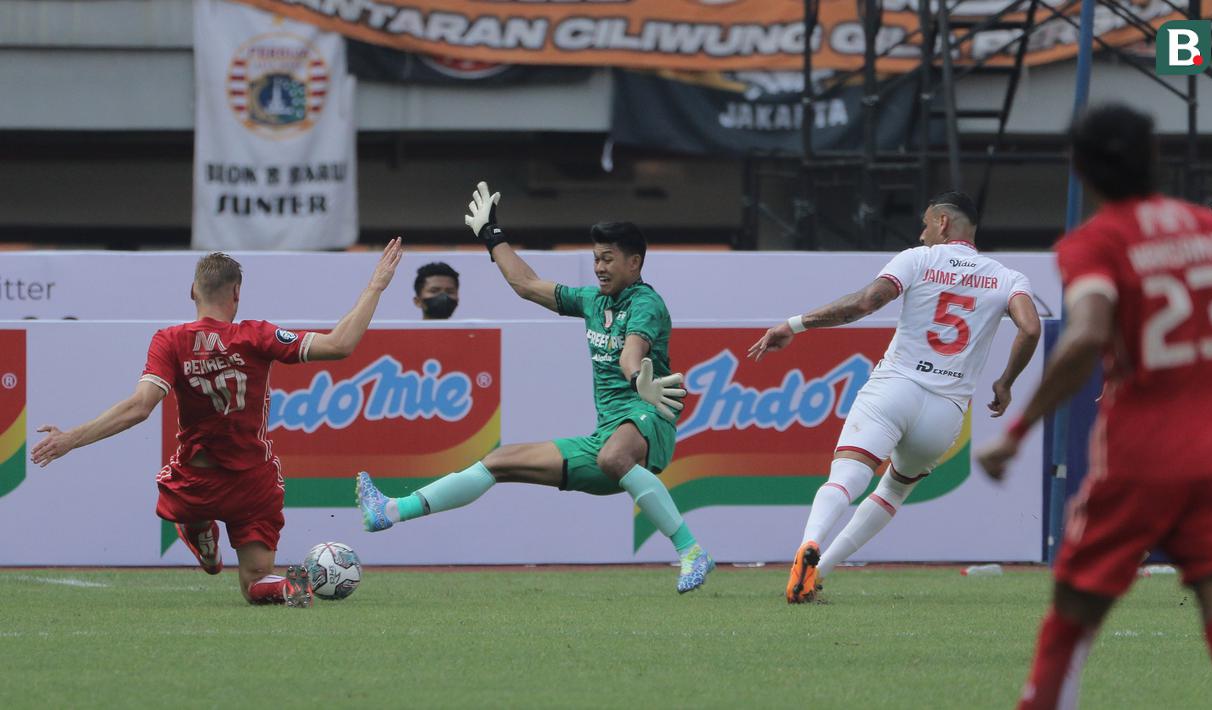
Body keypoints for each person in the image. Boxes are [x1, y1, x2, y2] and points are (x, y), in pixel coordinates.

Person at [977, 104, 1212, 708]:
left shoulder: (1096, 241)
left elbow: (1088, 332)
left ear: (1079, 168)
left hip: (1141, 457)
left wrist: (1017, 429)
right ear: (1155, 157)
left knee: (1070, 619)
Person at [357, 181, 715, 593]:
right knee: (501, 460)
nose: (599, 267)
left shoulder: (645, 303)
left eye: (608, 259)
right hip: (607, 438)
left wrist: (637, 378)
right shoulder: (591, 301)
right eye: (596, 258)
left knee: (615, 456)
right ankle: (388, 511)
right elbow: (526, 284)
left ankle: (691, 551)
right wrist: (493, 236)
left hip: (647, 418)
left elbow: (630, 353)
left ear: (634, 263)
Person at [31, 239, 404, 606]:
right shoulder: (258, 336)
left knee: (193, 514)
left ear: (193, 290)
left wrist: (71, 438)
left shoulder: (170, 341)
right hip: (252, 484)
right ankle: (307, 583)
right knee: (255, 584)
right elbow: (340, 345)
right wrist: (376, 286)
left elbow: (140, 407)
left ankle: (198, 528)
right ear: (237, 293)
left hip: (196, 483)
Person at [749, 191, 1041, 604]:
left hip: (895, 387)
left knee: (847, 475)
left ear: (942, 222)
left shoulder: (918, 259)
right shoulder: (1007, 277)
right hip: (945, 411)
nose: (921, 234)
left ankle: (810, 544)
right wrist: (1006, 382)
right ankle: (821, 572)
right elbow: (1030, 329)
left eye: (925, 224)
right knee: (893, 491)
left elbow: (864, 304)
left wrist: (795, 325)